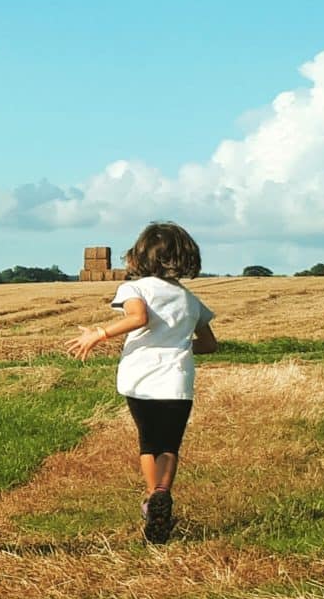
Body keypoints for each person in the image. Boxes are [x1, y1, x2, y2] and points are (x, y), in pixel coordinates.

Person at [68, 221, 218, 543]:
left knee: (149, 441)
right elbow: (209, 344)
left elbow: (138, 317)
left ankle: (153, 500)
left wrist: (99, 334)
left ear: (140, 255)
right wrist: (178, 345)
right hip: (177, 381)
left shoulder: (134, 289)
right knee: (169, 444)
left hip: (140, 378)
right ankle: (162, 492)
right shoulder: (190, 300)